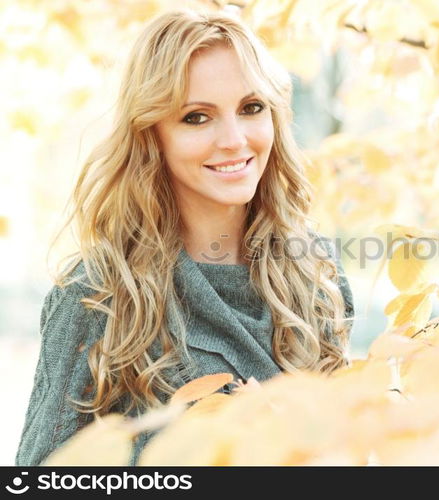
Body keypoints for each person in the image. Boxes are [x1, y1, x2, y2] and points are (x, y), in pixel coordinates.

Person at [16, 9, 354, 466]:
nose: (235, 140)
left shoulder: (315, 277)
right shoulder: (99, 296)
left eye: (251, 109)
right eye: (197, 117)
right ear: (152, 134)